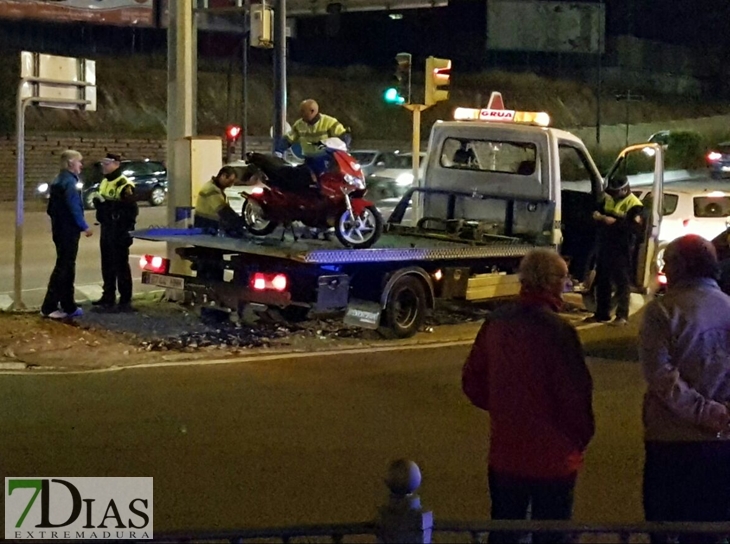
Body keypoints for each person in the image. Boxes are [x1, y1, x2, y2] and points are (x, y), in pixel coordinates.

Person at [462, 248, 595, 544]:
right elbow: (574, 395)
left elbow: (473, 381)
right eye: (563, 278)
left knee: (504, 530)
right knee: (551, 533)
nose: (566, 284)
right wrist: (579, 439)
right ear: (550, 282)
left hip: (506, 451)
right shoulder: (558, 332)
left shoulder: (497, 323)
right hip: (554, 457)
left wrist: (503, 405)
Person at [640, 234, 730, 544]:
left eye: (668, 262)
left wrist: (705, 412)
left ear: (680, 266)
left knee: (665, 528)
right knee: (711, 531)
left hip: (671, 441)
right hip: (722, 441)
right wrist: (721, 415)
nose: (665, 268)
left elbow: (662, 377)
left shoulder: (662, 312)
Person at [41, 150, 93, 319]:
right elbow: (74, 207)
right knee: (65, 267)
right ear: (71, 162)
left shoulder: (58, 180)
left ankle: (67, 305)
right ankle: (51, 306)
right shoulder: (70, 182)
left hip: (59, 229)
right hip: (68, 230)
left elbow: (51, 209)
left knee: (65, 265)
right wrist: (84, 226)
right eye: (79, 162)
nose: (81, 165)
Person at [586, 173, 644, 326]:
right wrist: (597, 216)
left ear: (624, 190)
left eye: (615, 192)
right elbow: (599, 210)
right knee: (602, 281)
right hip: (606, 245)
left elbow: (636, 229)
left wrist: (614, 222)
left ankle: (622, 316)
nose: (611, 195)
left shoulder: (635, 205)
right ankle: (602, 314)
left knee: (622, 283)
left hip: (622, 248)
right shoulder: (609, 198)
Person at [92, 153, 139, 312]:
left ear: (117, 164)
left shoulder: (124, 184)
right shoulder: (105, 181)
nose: (104, 166)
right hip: (106, 228)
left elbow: (130, 210)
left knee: (121, 266)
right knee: (107, 264)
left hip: (119, 230)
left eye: (108, 163)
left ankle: (125, 300)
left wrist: (109, 208)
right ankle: (108, 297)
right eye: (103, 163)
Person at [194, 166, 246, 236]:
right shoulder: (210, 189)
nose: (230, 185)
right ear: (223, 176)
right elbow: (223, 210)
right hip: (206, 225)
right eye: (230, 181)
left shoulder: (217, 189)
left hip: (209, 225)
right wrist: (239, 221)